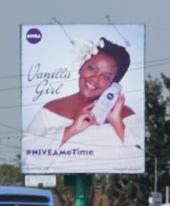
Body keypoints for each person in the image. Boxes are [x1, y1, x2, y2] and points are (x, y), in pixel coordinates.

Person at [23, 37, 143, 172]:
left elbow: (142, 161)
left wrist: (116, 121)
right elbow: (28, 161)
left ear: (113, 84)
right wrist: (70, 130)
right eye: (91, 68)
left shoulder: (127, 117)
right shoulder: (50, 110)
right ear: (81, 67)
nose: (94, 79)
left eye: (105, 77)